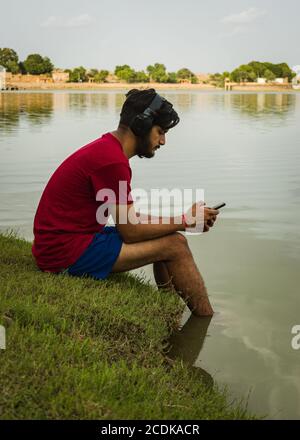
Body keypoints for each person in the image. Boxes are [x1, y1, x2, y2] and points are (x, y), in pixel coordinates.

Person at [32, 88, 219, 316]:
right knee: (175, 245)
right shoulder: (112, 162)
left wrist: (184, 219)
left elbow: (130, 220)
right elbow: (131, 231)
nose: (163, 140)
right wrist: (185, 222)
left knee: (164, 236)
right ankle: (206, 320)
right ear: (140, 126)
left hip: (68, 242)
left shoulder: (108, 150)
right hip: (64, 254)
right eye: (160, 131)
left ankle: (168, 310)